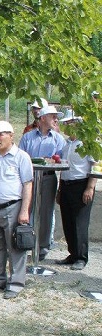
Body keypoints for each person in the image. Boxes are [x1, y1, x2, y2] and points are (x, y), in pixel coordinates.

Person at [0, 121, 33, 299]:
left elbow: (27, 185)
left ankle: (16, 283)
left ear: (11, 135)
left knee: (15, 247)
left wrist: (24, 210)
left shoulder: (21, 157)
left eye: (0, 135)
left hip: (13, 207)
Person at [18, 105, 65, 260]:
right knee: (25, 210)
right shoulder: (28, 137)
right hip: (29, 179)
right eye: (53, 116)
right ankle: (24, 242)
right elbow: (20, 157)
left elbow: (62, 160)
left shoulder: (58, 139)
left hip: (48, 178)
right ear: (43, 118)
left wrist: (53, 161)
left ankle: (42, 247)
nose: (56, 120)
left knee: (45, 213)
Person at [56, 114, 96, 270]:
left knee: (80, 222)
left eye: (68, 123)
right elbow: (63, 168)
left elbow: (95, 166)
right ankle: (72, 253)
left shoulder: (87, 143)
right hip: (66, 184)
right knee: (68, 221)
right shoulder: (67, 145)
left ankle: (81, 257)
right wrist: (60, 189)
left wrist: (90, 187)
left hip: (81, 185)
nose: (65, 126)